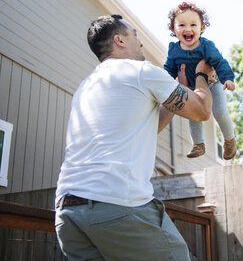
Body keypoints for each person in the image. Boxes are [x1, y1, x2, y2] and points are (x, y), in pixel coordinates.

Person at [55, 14, 215, 261]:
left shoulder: (87, 86)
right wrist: (202, 75)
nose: (140, 43)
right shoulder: (141, 72)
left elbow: (144, 129)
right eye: (135, 35)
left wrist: (174, 92)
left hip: (68, 214)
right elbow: (202, 111)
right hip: (116, 204)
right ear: (119, 40)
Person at [164, 2, 237, 159]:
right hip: (192, 87)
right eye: (182, 25)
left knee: (220, 112)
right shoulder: (174, 50)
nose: (188, 29)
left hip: (213, 83)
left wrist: (228, 79)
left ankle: (229, 140)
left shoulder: (206, 46)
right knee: (194, 116)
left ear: (202, 27)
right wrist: (164, 85)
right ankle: (198, 144)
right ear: (172, 29)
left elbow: (219, 62)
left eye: (193, 24)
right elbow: (168, 71)